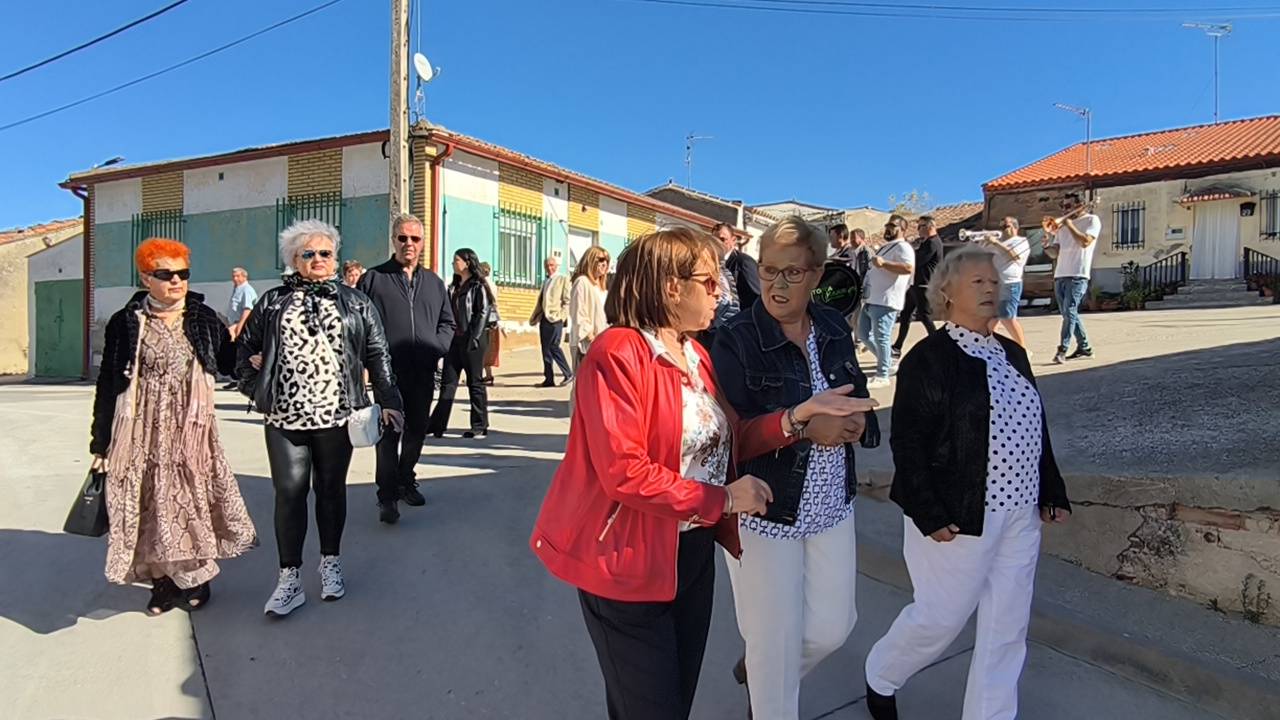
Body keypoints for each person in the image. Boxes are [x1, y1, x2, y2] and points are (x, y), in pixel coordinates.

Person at [529, 227, 873, 720]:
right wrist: (725, 501)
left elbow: (734, 439)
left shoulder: (696, 356)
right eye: (710, 282)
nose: (723, 291)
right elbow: (625, 472)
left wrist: (798, 418)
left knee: (669, 703)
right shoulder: (619, 353)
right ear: (672, 287)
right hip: (626, 557)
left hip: (689, 555)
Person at [863, 245, 1072, 720]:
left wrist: (1051, 488)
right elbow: (909, 441)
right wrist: (928, 510)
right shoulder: (930, 357)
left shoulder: (1013, 354)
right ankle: (882, 673)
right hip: (957, 514)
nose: (990, 288)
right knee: (940, 619)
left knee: (1007, 628)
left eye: (994, 281)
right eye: (977, 281)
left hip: (1020, 514)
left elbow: (1035, 427)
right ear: (947, 292)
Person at [712, 218, 880, 720]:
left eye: (792, 273)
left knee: (833, 626)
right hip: (766, 507)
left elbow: (854, 393)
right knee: (775, 642)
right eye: (768, 272)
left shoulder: (831, 325)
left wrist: (854, 427)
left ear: (815, 274)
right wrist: (804, 426)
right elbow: (732, 437)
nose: (777, 286)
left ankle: (764, 669)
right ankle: (768, 688)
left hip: (831, 502)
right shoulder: (735, 338)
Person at [239, 219, 404, 617]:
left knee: (331, 490)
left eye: (324, 253)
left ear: (335, 258)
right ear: (294, 260)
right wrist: (256, 385)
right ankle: (289, 578)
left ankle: (330, 563)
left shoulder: (356, 302)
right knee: (290, 492)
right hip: (285, 417)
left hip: (336, 414)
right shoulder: (273, 301)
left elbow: (377, 354)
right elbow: (243, 351)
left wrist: (390, 399)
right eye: (307, 254)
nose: (317, 260)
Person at [90, 238, 256, 615]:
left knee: (188, 503)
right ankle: (162, 585)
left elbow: (231, 361)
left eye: (183, 273)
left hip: (189, 431)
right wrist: (100, 444)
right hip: (140, 430)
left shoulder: (201, 317)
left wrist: (258, 359)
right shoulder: (126, 322)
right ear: (146, 278)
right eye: (166, 274)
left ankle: (197, 578)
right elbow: (108, 384)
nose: (177, 281)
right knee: (149, 505)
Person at [357, 213, 454, 524]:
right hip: (388, 373)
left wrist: (436, 347)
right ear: (393, 241)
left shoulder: (435, 283)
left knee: (415, 431)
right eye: (402, 238)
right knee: (388, 435)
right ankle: (387, 497)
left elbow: (448, 322)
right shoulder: (373, 279)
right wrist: (366, 364)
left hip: (423, 371)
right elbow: (359, 326)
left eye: (414, 238)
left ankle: (405, 478)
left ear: (422, 243)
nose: (408, 244)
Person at [427, 249, 493, 439]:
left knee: (475, 382)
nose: (453, 263)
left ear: (467, 262)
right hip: (454, 340)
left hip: (473, 340)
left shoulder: (478, 285)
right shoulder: (453, 287)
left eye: (456, 260)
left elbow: (483, 311)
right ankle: (437, 424)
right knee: (448, 383)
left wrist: (475, 337)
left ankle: (479, 425)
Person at [858, 215, 914, 388]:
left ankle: (882, 375)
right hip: (871, 299)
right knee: (863, 335)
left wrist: (883, 263)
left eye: (893, 226)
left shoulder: (903, 247)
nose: (888, 229)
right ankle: (888, 362)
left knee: (882, 337)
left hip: (885, 301)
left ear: (902, 229)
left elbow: (908, 268)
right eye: (887, 225)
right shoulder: (886, 247)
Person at [1044, 196, 1101, 364]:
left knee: (1069, 311)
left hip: (1078, 274)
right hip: (1060, 274)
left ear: (1079, 205)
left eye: (1067, 205)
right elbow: (1056, 252)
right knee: (1069, 314)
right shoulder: (1061, 228)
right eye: (1062, 205)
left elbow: (1085, 242)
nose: (1064, 209)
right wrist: (1047, 246)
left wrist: (1070, 225)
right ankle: (1085, 348)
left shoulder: (1092, 220)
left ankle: (1062, 349)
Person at [701, 221, 761, 348]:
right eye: (714, 239)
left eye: (723, 239)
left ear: (733, 240)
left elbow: (757, 298)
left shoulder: (744, 263)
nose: (718, 243)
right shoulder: (713, 263)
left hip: (737, 332)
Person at [891, 216, 941, 357]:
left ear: (930, 226)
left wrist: (908, 249)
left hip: (924, 285)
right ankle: (897, 346)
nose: (918, 230)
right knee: (906, 315)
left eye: (921, 226)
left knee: (925, 317)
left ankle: (940, 345)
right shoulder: (926, 243)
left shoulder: (933, 243)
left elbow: (916, 261)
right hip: (916, 285)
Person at [980, 217, 1031, 348]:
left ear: (1015, 227)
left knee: (1007, 318)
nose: (1002, 229)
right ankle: (990, 349)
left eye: (1006, 226)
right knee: (991, 321)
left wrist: (996, 243)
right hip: (996, 285)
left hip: (1010, 284)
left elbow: (1015, 256)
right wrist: (982, 241)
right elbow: (982, 251)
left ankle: (1022, 349)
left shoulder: (1021, 241)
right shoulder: (1001, 242)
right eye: (1001, 226)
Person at [529, 255, 573, 387]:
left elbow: (567, 300)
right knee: (545, 349)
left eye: (552, 265)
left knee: (554, 346)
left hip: (555, 319)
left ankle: (568, 373)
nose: (549, 268)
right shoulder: (546, 281)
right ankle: (549, 378)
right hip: (544, 319)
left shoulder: (562, 279)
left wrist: (561, 316)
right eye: (547, 266)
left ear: (556, 266)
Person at [568, 245, 611, 370]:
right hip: (586, 344)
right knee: (585, 385)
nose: (605, 264)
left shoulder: (602, 288)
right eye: (601, 260)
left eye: (607, 261)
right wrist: (590, 337)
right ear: (591, 260)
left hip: (602, 342)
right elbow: (578, 313)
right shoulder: (582, 282)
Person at [223, 267, 258, 389]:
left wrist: (239, 326)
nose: (235, 278)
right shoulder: (237, 289)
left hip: (241, 324)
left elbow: (247, 309)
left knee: (239, 350)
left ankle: (242, 377)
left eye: (238, 276)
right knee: (233, 350)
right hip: (234, 323)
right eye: (233, 276)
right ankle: (235, 377)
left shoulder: (246, 290)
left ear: (244, 277)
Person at [479, 261, 503, 385]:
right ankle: (488, 375)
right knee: (488, 349)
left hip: (486, 320)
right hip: (492, 320)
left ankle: (484, 375)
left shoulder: (483, 284)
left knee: (483, 348)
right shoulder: (492, 283)